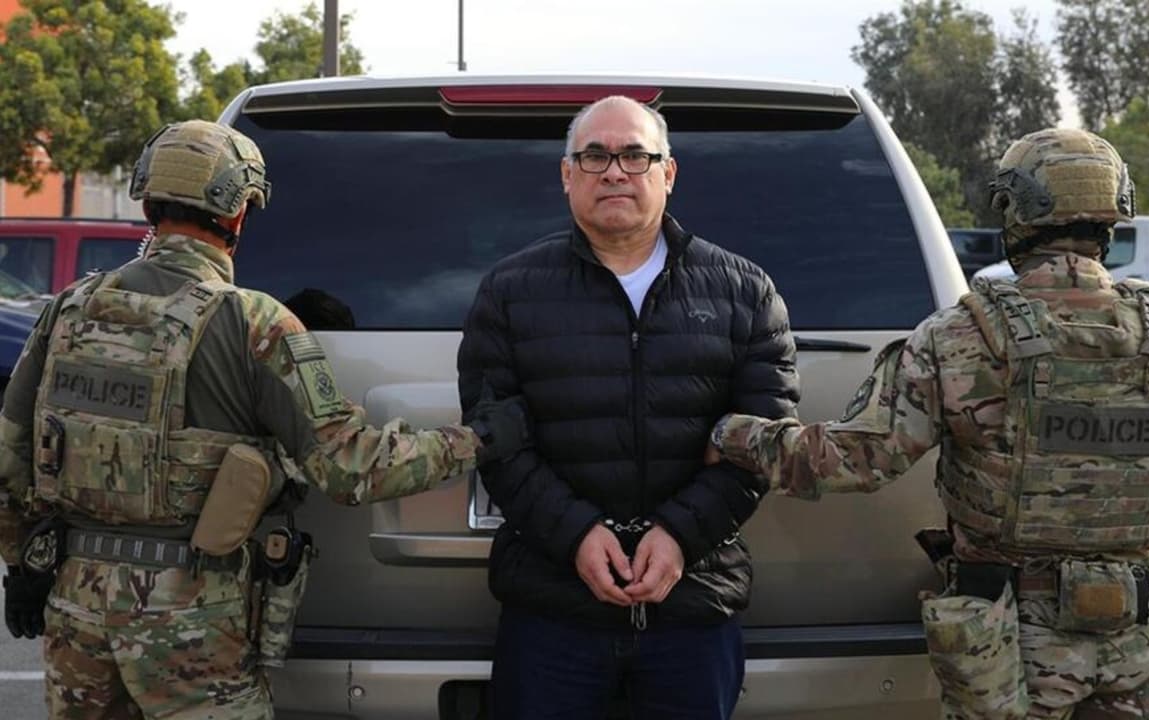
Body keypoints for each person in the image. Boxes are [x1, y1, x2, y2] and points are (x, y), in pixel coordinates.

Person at [708, 128, 1149, 719]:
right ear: (1111, 215)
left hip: (1006, 649)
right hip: (1132, 646)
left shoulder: (960, 338)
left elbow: (850, 463)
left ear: (1015, 211)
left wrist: (730, 434)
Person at [0, 119, 527, 720]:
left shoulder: (68, 309)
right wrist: (479, 439)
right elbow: (350, 468)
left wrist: (22, 565)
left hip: (76, 612)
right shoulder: (254, 322)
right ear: (239, 212)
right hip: (190, 620)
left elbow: (9, 458)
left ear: (147, 204)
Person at [457, 96, 798, 719]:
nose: (615, 171)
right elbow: (496, 441)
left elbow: (765, 440)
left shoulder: (745, 292)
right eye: (594, 156)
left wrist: (679, 536)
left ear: (668, 173)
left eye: (635, 155)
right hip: (551, 610)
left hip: (694, 606)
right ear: (567, 175)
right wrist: (576, 536)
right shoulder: (508, 293)